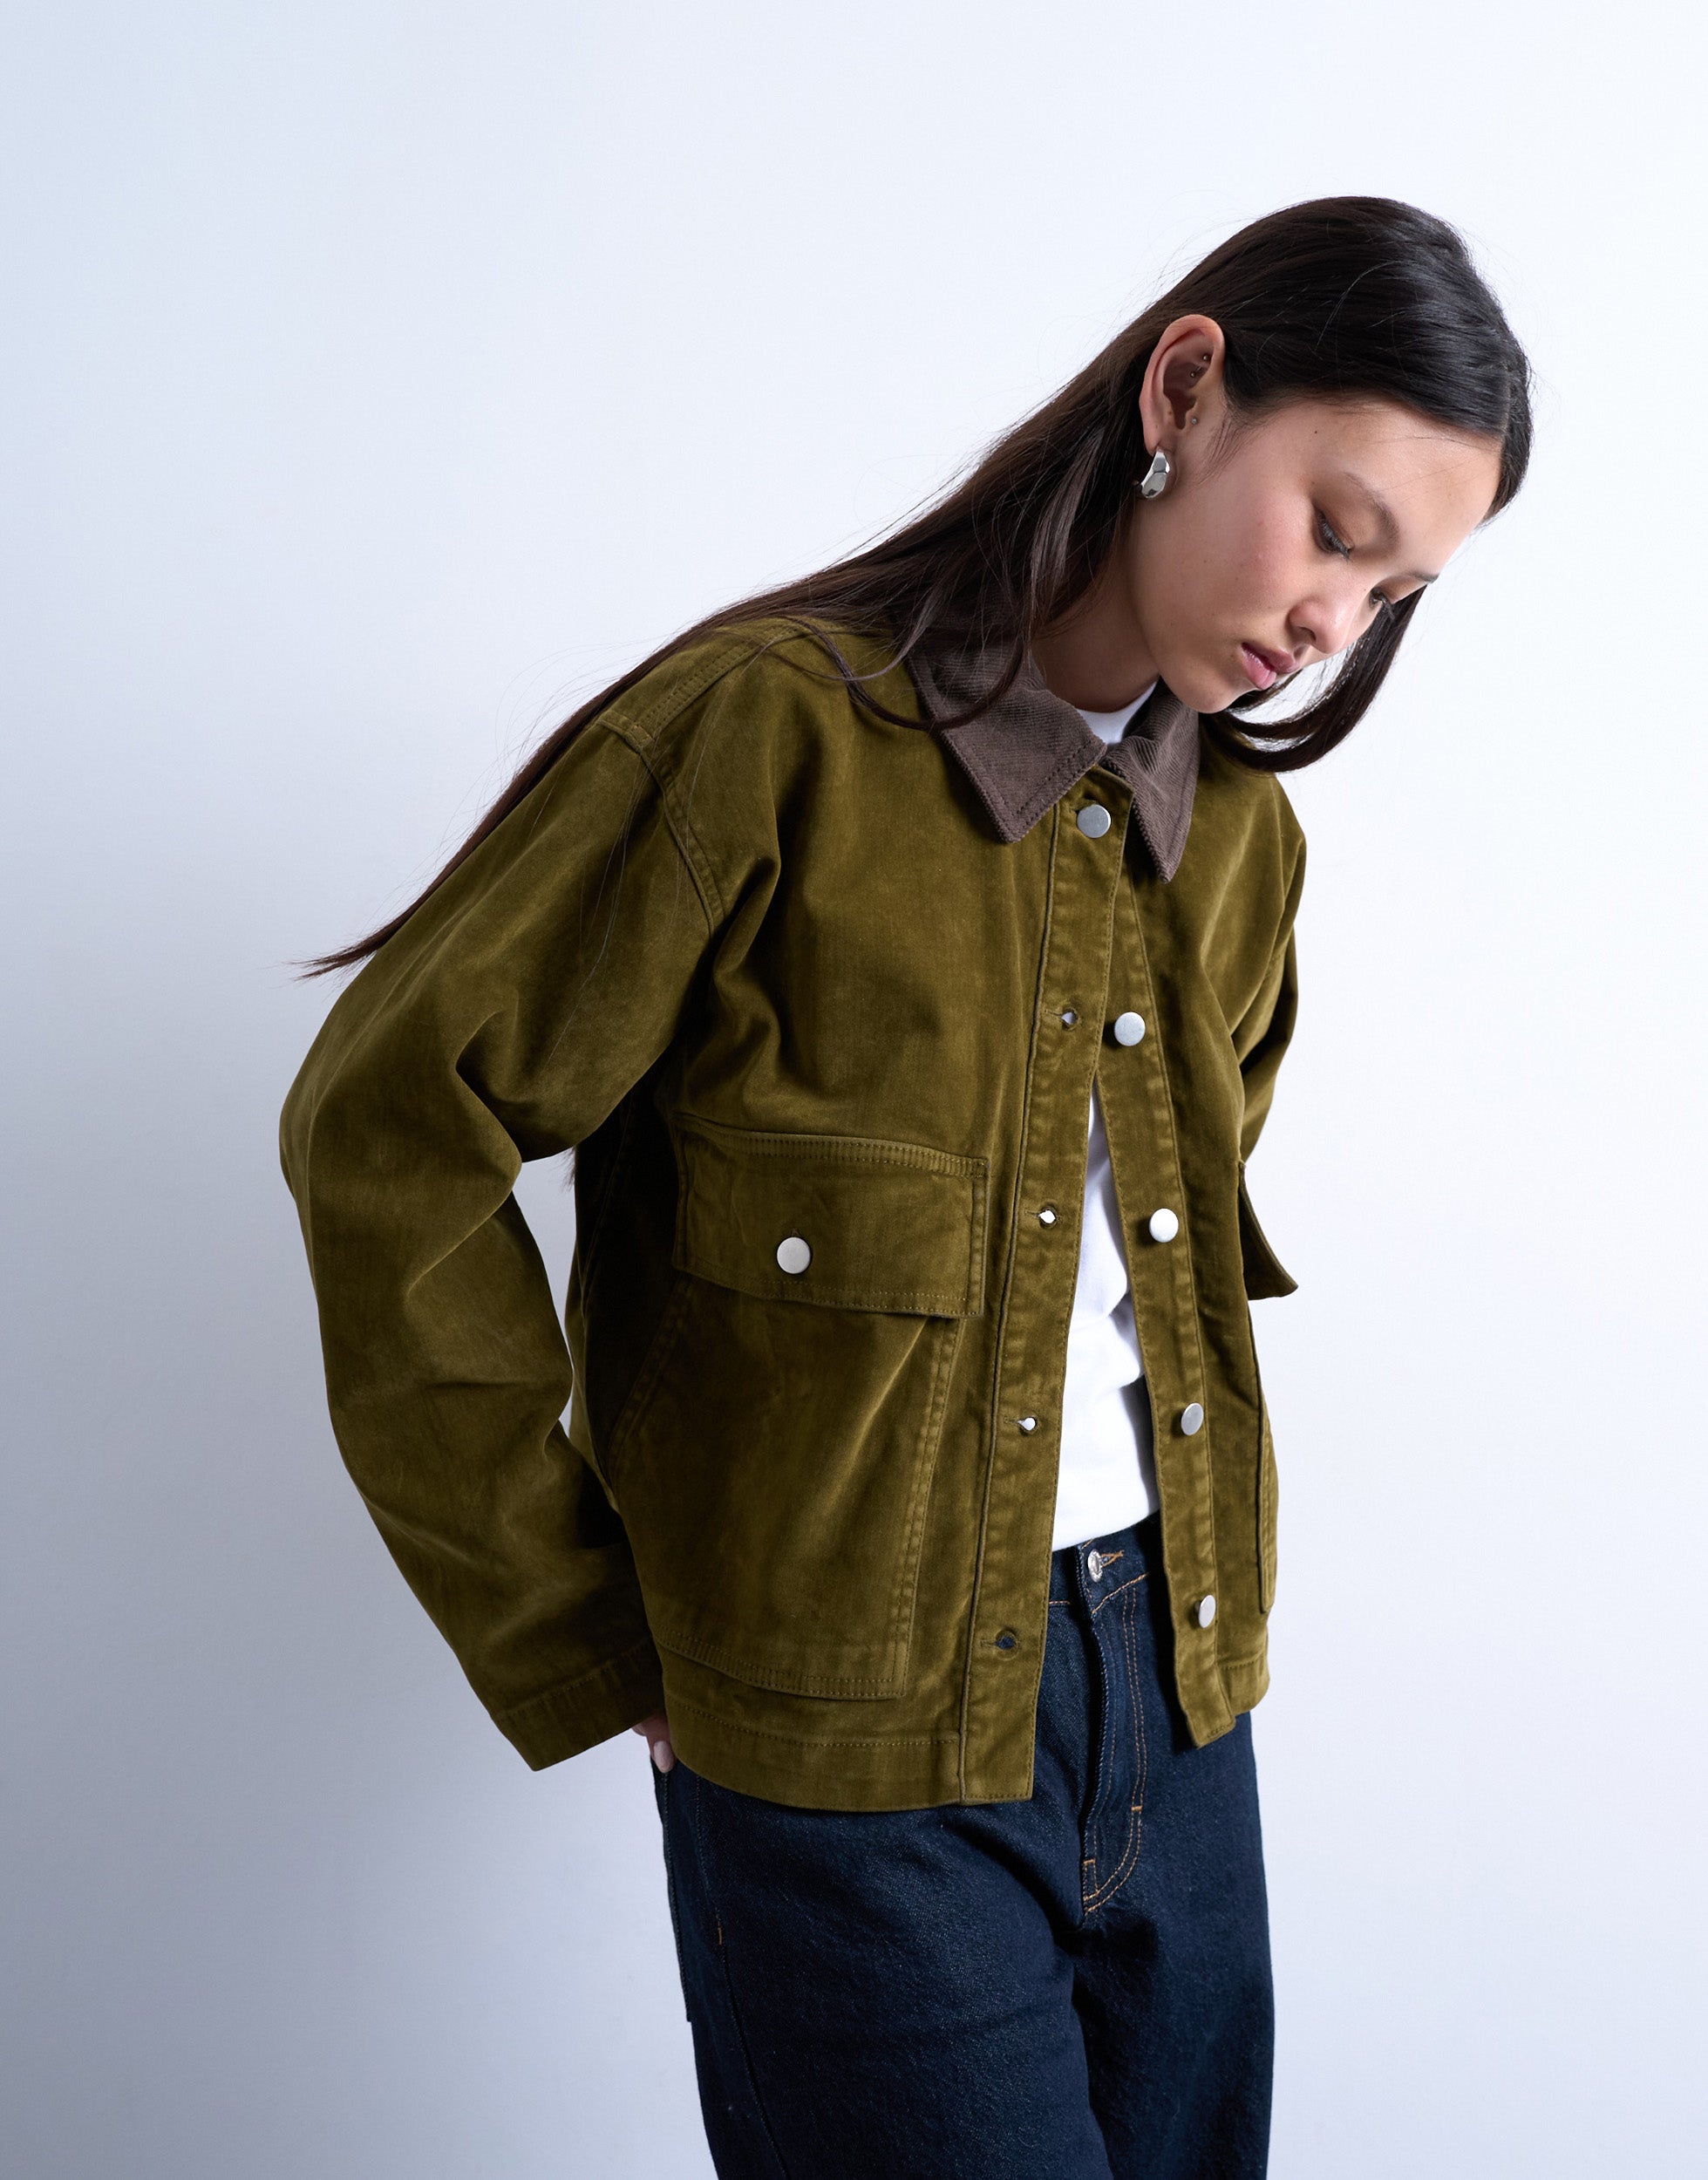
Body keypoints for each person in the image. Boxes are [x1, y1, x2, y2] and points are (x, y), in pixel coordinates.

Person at [282, 194, 1531, 2178]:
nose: (1331, 623)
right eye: (1333, 528)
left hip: (1181, 1697)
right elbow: (387, 1132)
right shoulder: (763, 739)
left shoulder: (1240, 844)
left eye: (1393, 595)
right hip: (848, 1753)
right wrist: (578, 1623)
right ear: (1185, 392)